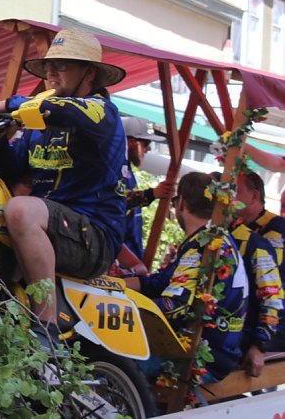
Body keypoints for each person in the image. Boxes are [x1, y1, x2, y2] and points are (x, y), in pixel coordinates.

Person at [0, 28, 127, 349]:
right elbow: (12, 168)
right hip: (52, 227)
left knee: (20, 209)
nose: (50, 73)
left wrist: (1, 106)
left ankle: (46, 326)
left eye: (62, 66)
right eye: (48, 66)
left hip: (95, 236)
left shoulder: (100, 110)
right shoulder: (39, 122)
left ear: (89, 73)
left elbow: (62, 109)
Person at [124, 172, 248, 383]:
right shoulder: (214, 238)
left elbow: (173, 305)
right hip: (219, 352)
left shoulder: (204, 246)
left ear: (180, 202)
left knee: (109, 356)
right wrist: (117, 285)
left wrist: (122, 308)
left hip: (200, 359)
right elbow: (162, 283)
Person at [235, 170, 285, 354]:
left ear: (254, 196)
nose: (229, 196)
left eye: (236, 191)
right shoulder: (238, 226)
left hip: (275, 322)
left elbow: (271, 270)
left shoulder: (276, 226)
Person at [120, 117, 176, 263]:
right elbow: (114, 200)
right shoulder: (113, 168)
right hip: (118, 260)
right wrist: (152, 194)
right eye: (146, 143)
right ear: (131, 142)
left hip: (130, 258)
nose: (149, 149)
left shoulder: (128, 170)